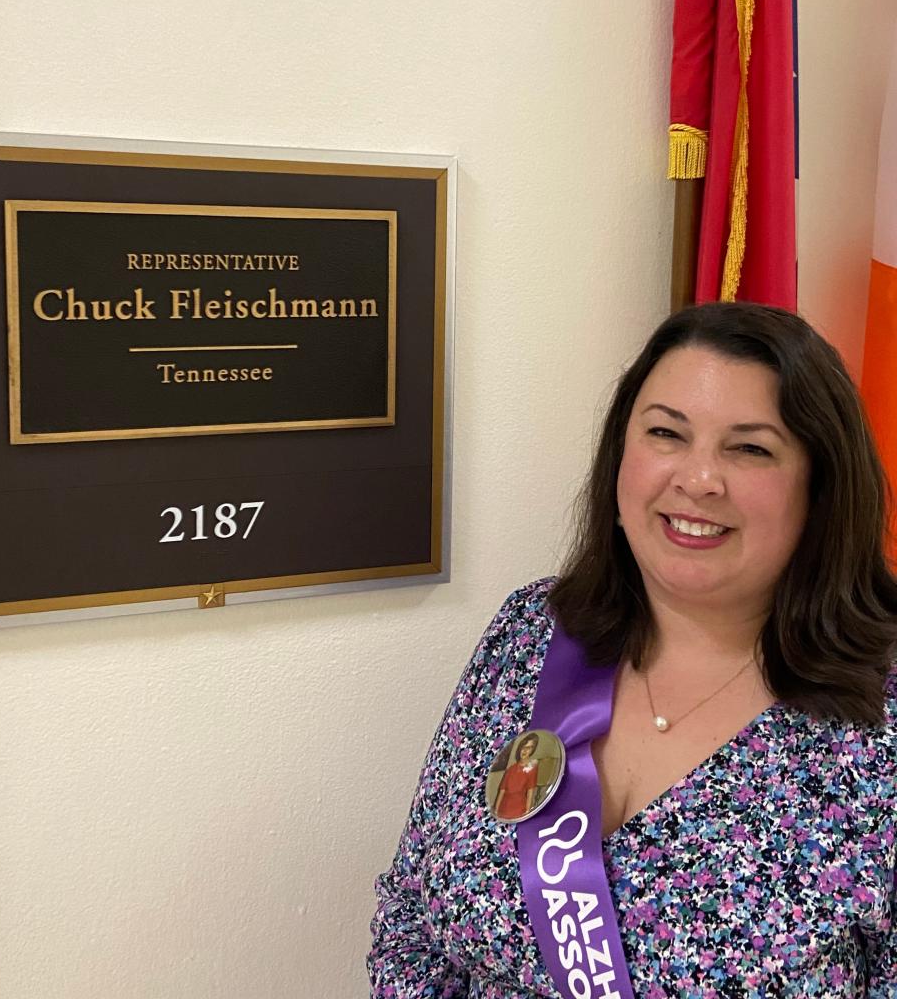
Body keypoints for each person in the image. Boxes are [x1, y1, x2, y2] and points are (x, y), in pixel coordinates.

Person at [368, 302, 897, 997]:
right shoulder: (532, 630)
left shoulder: (877, 720)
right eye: (666, 434)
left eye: (750, 448)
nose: (698, 479)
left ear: (820, 490)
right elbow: (412, 913)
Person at [492, 731, 541, 821]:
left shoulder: (532, 769)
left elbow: (530, 792)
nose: (525, 750)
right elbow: (502, 790)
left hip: (518, 809)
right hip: (504, 808)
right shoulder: (511, 769)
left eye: (529, 748)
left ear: (532, 750)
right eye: (524, 747)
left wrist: (527, 812)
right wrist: (496, 810)